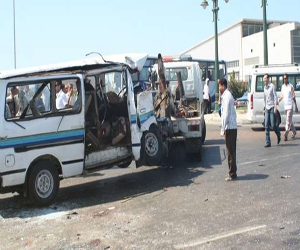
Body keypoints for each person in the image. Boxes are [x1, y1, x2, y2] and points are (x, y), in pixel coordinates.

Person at [219, 78, 238, 181]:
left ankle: (232, 173)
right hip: (231, 126)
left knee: (230, 151)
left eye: (219, 86)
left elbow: (225, 114)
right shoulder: (227, 96)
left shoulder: (226, 97)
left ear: (223, 86)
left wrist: (223, 128)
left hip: (229, 127)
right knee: (231, 151)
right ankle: (232, 172)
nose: (219, 88)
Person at [263, 74, 281, 147]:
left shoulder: (272, 86)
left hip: (272, 107)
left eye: (265, 78)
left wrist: (275, 107)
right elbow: (264, 99)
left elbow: (275, 97)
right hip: (267, 107)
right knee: (266, 125)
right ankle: (268, 142)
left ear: (268, 79)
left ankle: (278, 134)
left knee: (273, 125)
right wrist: (264, 108)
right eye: (264, 78)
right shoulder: (264, 88)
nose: (264, 80)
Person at [278, 73, 298, 141]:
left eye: (286, 78)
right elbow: (281, 96)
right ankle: (294, 132)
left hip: (290, 106)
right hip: (285, 106)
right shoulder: (283, 86)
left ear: (288, 79)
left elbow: (293, 96)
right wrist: (278, 101)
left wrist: (295, 105)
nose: (285, 79)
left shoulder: (291, 86)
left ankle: (285, 134)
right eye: (284, 78)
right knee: (289, 121)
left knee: (288, 121)